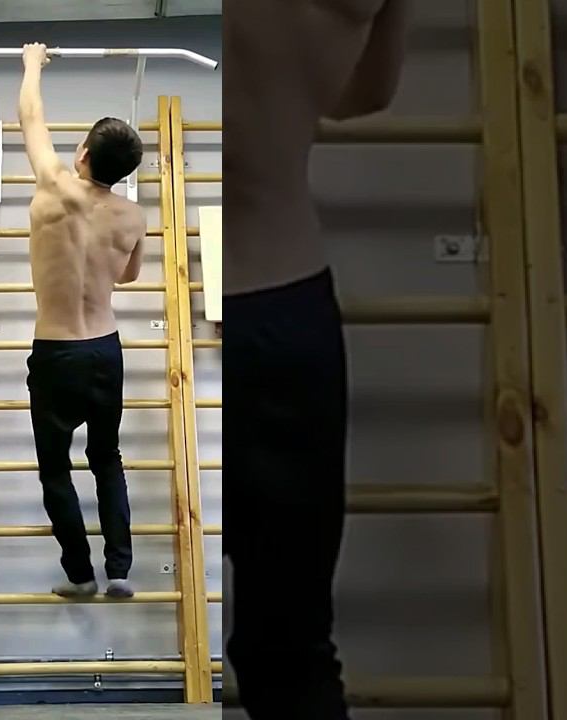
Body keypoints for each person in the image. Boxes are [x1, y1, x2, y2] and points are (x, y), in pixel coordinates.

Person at [225, 1, 408, 717]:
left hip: (177, 295)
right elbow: (365, 93)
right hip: (285, 297)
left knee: (136, 609)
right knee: (291, 649)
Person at [17, 42, 147, 600]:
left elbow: (30, 117)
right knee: (106, 459)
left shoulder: (55, 185)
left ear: (84, 154)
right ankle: (119, 570)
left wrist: (32, 64)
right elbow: (129, 276)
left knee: (56, 470)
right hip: (104, 351)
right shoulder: (133, 216)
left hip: (56, 352)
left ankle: (81, 575)